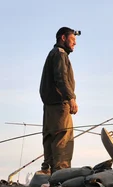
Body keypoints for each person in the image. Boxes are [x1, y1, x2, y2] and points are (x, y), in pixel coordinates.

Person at [38, 27, 79, 174]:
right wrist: (71, 98)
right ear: (63, 38)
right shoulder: (60, 55)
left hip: (49, 107)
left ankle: (47, 172)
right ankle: (60, 175)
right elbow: (61, 78)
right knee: (63, 140)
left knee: (50, 139)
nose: (75, 44)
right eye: (72, 40)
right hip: (59, 105)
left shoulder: (53, 54)